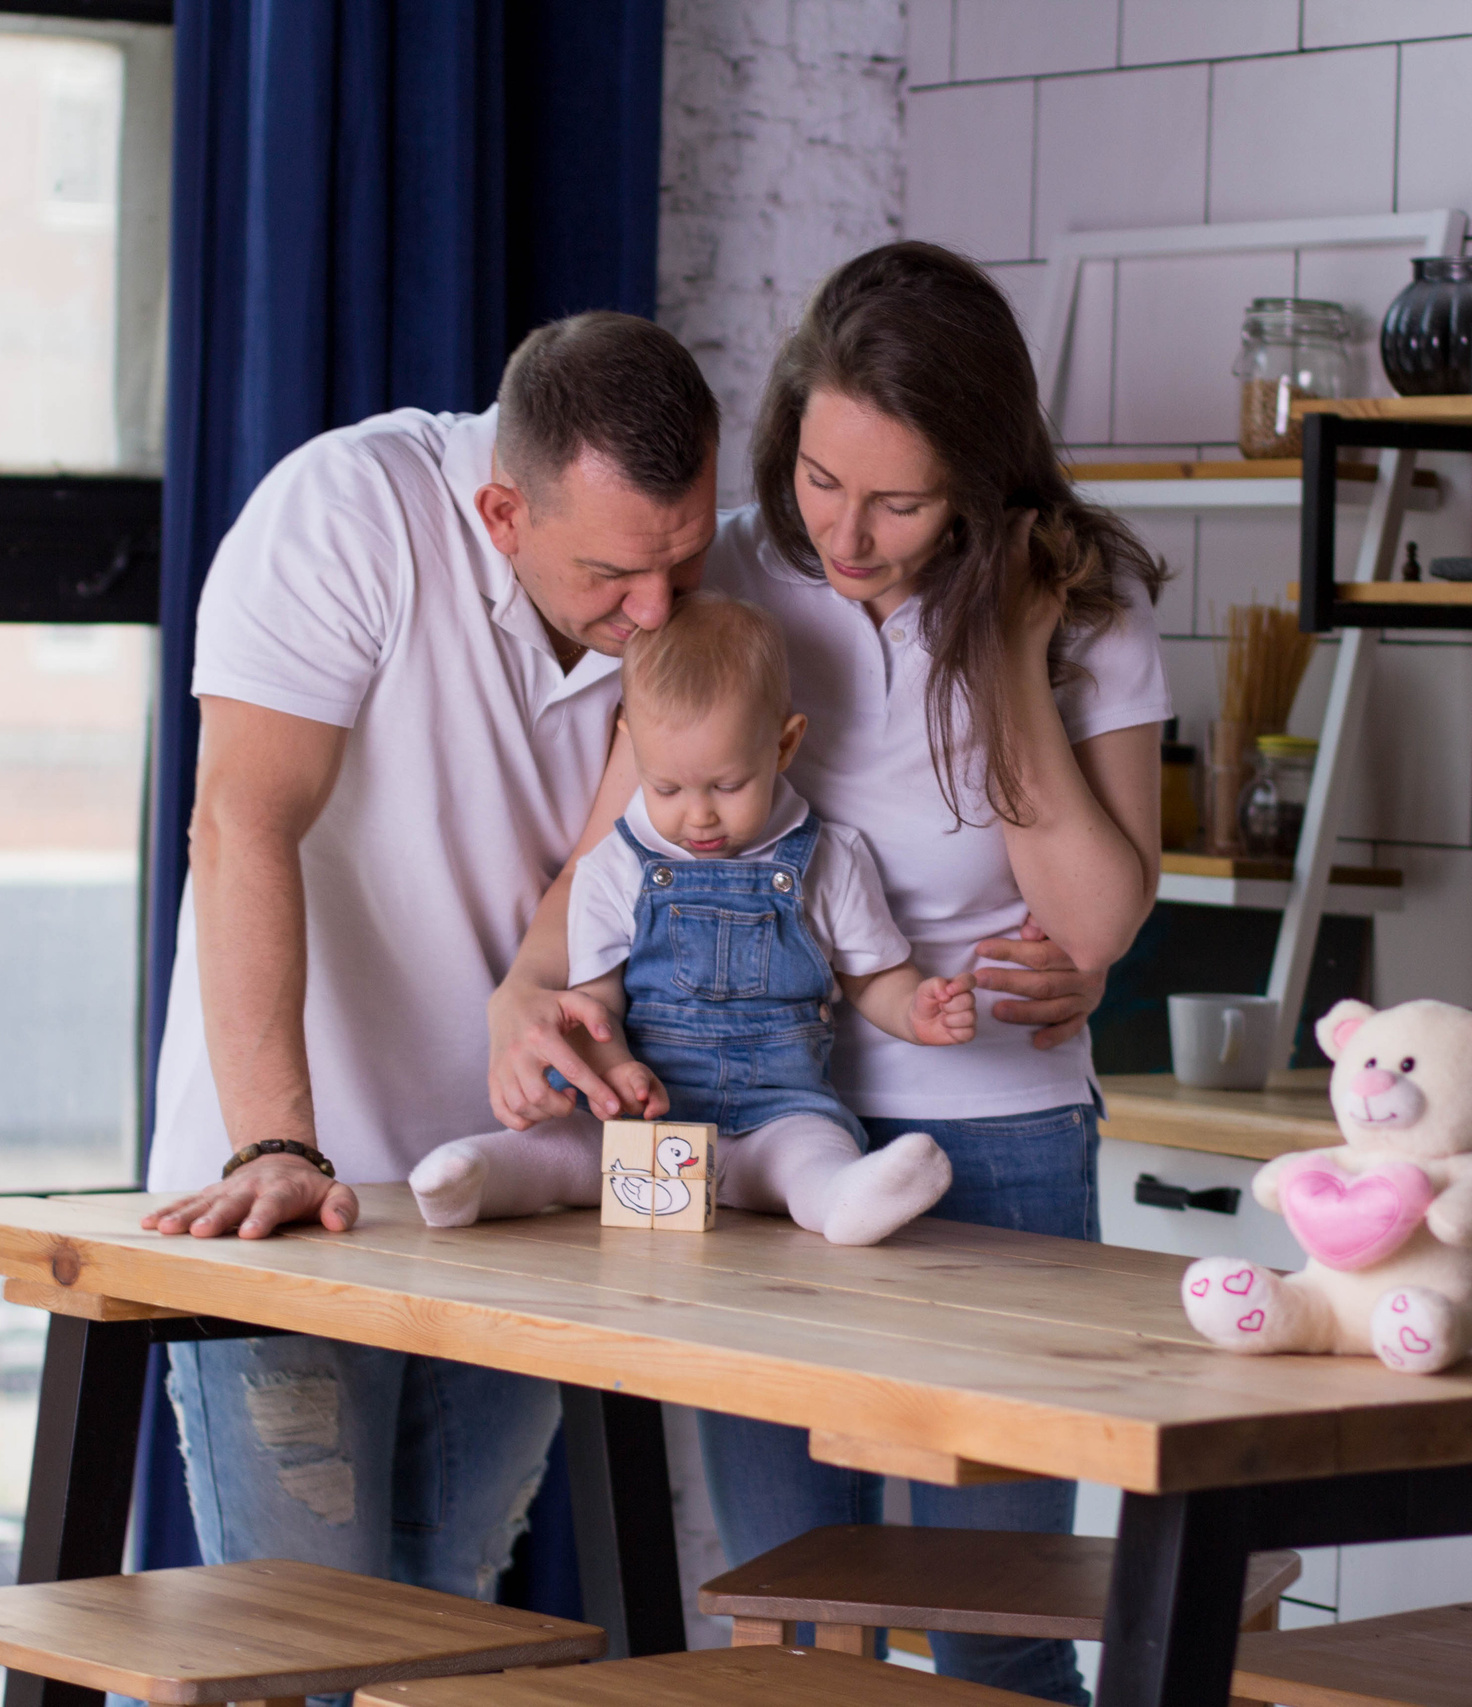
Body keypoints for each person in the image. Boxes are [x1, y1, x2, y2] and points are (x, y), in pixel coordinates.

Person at [490, 242, 1169, 1704]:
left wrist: (1007, 653)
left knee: (994, 1626)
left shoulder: (1083, 604)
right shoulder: (728, 570)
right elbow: (624, 835)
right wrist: (532, 985)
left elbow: (1100, 915)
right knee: (792, 1617)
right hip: (751, 1148)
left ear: (982, 481)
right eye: (818, 478)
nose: (846, 535)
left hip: (998, 1141)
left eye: (901, 499)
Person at [135, 312, 719, 1606]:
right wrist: (274, 1143)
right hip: (292, 1187)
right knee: (294, 1629)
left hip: (507, 1195)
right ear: (503, 512)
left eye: (685, 556)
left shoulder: (663, 589)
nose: (659, 607)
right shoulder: (347, 515)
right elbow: (240, 823)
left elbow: (607, 863)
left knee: (448, 1608)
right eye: (618, 575)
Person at [406, 592, 969, 1245]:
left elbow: (875, 977)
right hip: (645, 1127)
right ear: (631, 745)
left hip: (777, 1116)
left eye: (728, 786)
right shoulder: (614, 866)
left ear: (784, 745)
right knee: (565, 1148)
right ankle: (474, 1178)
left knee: (813, 1151)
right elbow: (594, 1001)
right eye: (667, 788)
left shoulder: (829, 859)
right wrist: (616, 1066)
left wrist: (915, 1009)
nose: (698, 816)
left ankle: (843, 1199)